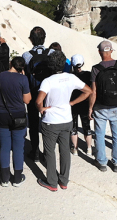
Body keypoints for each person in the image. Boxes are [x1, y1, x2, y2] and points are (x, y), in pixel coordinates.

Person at [36, 51, 92, 191]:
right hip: (66, 119)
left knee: (50, 151)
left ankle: (52, 182)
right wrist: (72, 103)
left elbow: (38, 100)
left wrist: (41, 108)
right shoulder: (71, 78)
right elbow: (88, 91)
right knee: (65, 150)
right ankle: (64, 180)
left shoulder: (48, 81)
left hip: (50, 121)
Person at [88, 40, 117, 173]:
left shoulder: (96, 69)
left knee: (100, 135)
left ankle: (102, 162)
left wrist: (90, 108)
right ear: (111, 51)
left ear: (99, 52)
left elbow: (93, 92)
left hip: (100, 107)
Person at [0, 57, 31, 187]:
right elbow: (27, 100)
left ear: (10, 64)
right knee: (18, 147)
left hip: (2, 115)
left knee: (5, 147)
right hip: (18, 115)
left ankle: (4, 178)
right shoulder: (23, 79)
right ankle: (18, 178)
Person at [22, 26, 55, 162]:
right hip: (49, 93)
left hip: (33, 91)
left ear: (31, 40)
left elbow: (26, 74)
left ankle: (35, 152)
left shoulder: (26, 55)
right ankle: (48, 153)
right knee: (49, 123)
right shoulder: (52, 52)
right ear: (44, 38)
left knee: (34, 123)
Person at [69, 54, 93, 156]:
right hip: (85, 104)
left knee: (73, 127)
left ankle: (75, 148)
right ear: (82, 63)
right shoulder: (88, 74)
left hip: (72, 104)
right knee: (86, 127)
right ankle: (89, 148)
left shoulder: (69, 76)